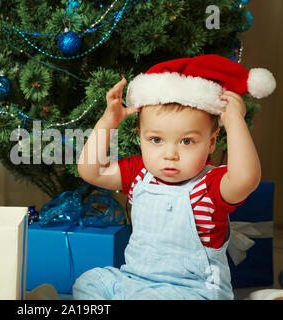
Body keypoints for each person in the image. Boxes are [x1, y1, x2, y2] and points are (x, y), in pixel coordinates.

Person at [73, 54, 276, 300]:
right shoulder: (139, 174)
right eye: (156, 140)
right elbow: (91, 170)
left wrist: (234, 122)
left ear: (211, 143)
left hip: (193, 291)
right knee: (90, 282)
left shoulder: (210, 185)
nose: (170, 155)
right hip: (135, 280)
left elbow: (246, 179)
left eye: (187, 141)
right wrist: (108, 121)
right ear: (140, 137)